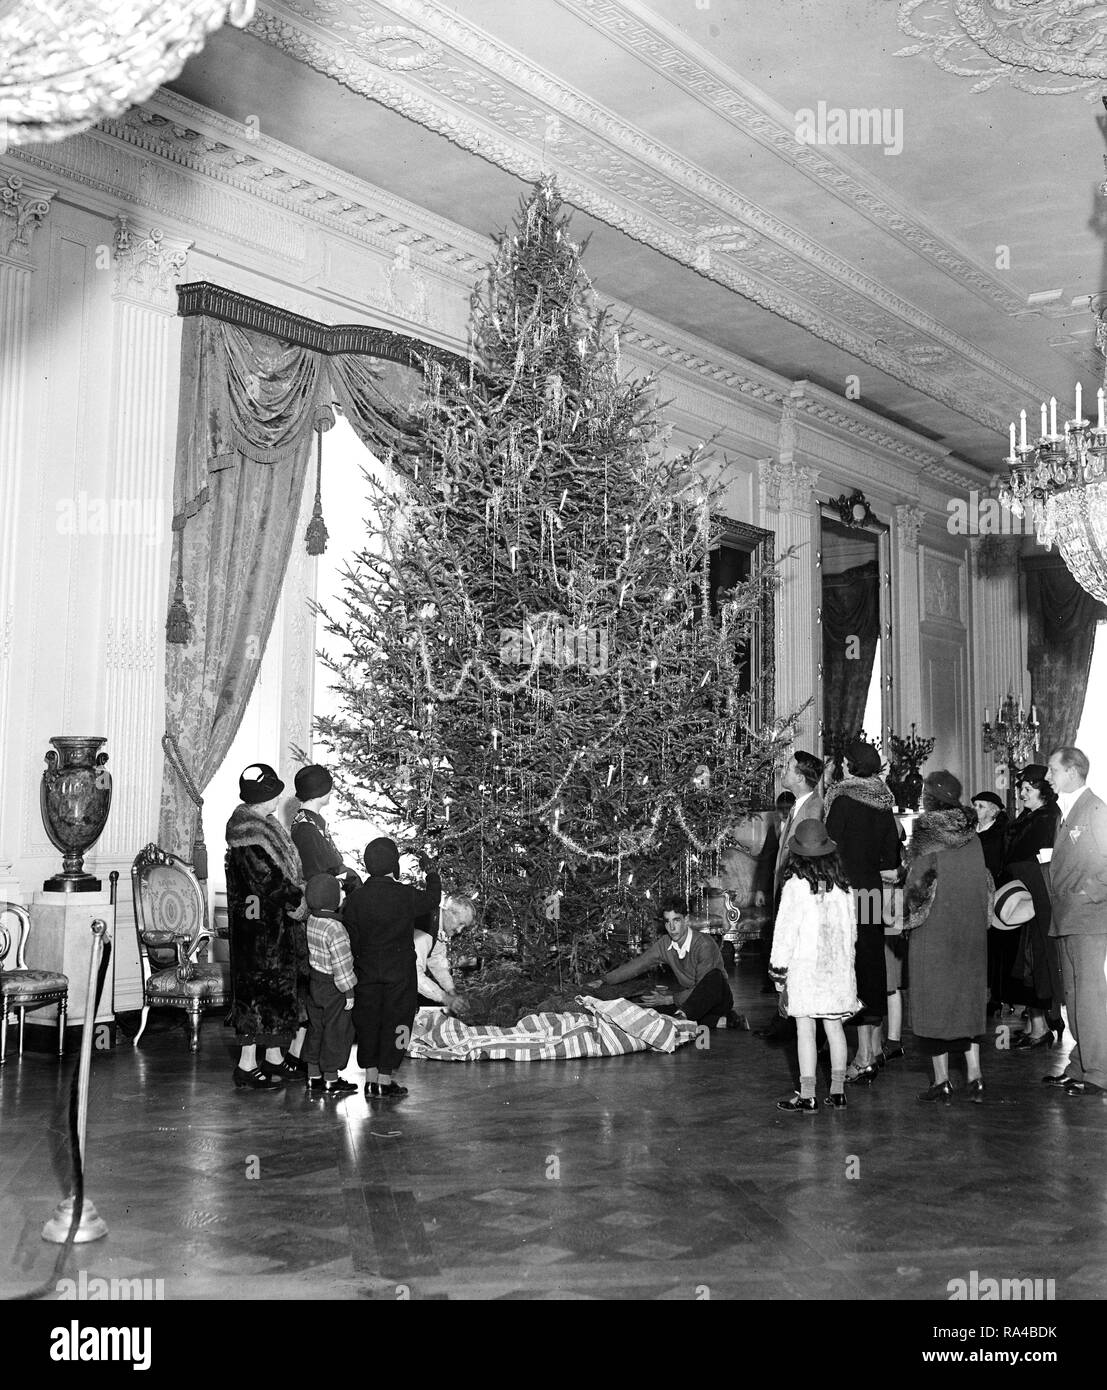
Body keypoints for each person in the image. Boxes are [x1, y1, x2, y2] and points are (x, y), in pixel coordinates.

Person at [903, 771, 990, 1102]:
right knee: (966, 1004)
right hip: (969, 932)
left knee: (934, 1005)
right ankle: (976, 1076)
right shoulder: (974, 837)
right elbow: (984, 883)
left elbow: (916, 889)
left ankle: (941, 1081)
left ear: (931, 798)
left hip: (934, 934)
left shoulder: (928, 838)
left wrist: (902, 920)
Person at [824, 739, 902, 1085]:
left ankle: (862, 1055)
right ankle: (872, 1050)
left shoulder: (842, 799)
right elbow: (892, 859)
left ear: (849, 765)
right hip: (871, 891)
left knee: (848, 969)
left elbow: (827, 849)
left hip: (845, 893)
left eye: (842, 762)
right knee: (871, 967)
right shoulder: (884, 803)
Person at [225, 763, 307, 1090]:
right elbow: (267, 881)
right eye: (274, 792)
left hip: (272, 928)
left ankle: (273, 1057)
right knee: (256, 996)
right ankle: (246, 1066)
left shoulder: (264, 823)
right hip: (257, 931)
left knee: (274, 993)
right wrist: (298, 900)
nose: (279, 797)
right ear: (264, 797)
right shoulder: (247, 834)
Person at [770, 819, 861, 1112]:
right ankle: (838, 1092)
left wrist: (778, 972)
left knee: (805, 1031)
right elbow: (853, 933)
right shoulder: (845, 888)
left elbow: (785, 932)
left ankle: (808, 1095)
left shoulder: (795, 886)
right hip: (836, 970)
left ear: (797, 853)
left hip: (805, 971)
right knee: (835, 1029)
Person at [344, 837, 441, 1098]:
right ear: (394, 864)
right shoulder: (405, 895)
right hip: (399, 972)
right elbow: (433, 899)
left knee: (368, 1023)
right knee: (397, 1022)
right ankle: (385, 1080)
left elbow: (351, 938)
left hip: (365, 971)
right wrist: (431, 872)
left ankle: (371, 1079)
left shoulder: (355, 900)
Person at [1041, 747, 1107, 1096]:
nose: (1048, 778)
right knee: (1074, 994)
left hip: (1088, 918)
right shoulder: (1065, 812)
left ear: (1072, 772)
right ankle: (1080, 1064)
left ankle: (1098, 1072)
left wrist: (1088, 894)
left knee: (1090, 996)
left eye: (1053, 770)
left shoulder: (1095, 809)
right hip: (1067, 916)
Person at [594, 895, 747, 1028]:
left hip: (716, 998)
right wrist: (604, 980)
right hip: (690, 1001)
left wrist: (670, 999)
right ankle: (723, 1022)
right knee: (652, 1009)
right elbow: (637, 965)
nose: (672, 927)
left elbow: (702, 989)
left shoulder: (704, 944)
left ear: (686, 920)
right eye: (667, 922)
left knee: (714, 976)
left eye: (677, 920)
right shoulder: (665, 943)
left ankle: (681, 1020)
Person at [1001, 766, 1061, 1049]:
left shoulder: (1047, 818)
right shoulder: (1030, 815)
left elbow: (1038, 860)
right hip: (1023, 895)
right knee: (1023, 961)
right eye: (1021, 788)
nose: (1022, 793)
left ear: (1043, 791)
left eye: (1028, 788)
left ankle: (1041, 1029)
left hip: (1036, 897)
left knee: (1033, 960)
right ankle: (1033, 1024)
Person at [302, 874, 357, 1096]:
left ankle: (313, 1076)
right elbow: (342, 966)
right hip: (334, 988)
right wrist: (349, 992)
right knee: (336, 1032)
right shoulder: (336, 929)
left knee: (316, 1029)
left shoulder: (313, 920)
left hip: (315, 982)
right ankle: (331, 1080)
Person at [290, 765, 361, 891]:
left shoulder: (311, 819)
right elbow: (315, 876)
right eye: (328, 787)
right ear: (318, 792)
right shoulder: (306, 829)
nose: (331, 791)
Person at [415, 895, 475, 1013]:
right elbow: (413, 975)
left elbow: (437, 960)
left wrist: (451, 990)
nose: (459, 930)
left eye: (464, 927)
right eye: (460, 923)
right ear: (449, 912)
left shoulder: (437, 925)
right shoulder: (425, 929)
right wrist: (446, 998)